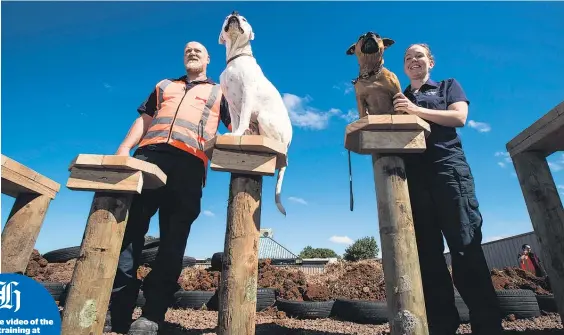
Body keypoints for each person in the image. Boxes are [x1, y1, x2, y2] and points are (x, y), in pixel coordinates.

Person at [106, 41, 231, 335]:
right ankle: (117, 312)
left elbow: (237, 124)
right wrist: (125, 147)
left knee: (173, 242)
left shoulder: (219, 92)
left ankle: (152, 314)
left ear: (209, 58)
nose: (192, 52)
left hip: (189, 165)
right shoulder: (164, 86)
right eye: (187, 50)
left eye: (198, 50)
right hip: (148, 158)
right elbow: (145, 118)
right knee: (128, 234)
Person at [393, 43, 502, 335]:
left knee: (465, 248)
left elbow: (459, 118)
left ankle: (488, 327)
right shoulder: (399, 96)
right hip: (413, 177)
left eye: (419, 56)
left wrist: (415, 110)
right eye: (407, 58)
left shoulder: (446, 86)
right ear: (404, 67)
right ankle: (442, 327)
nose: (413, 61)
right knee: (427, 256)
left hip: (448, 170)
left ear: (431, 62)